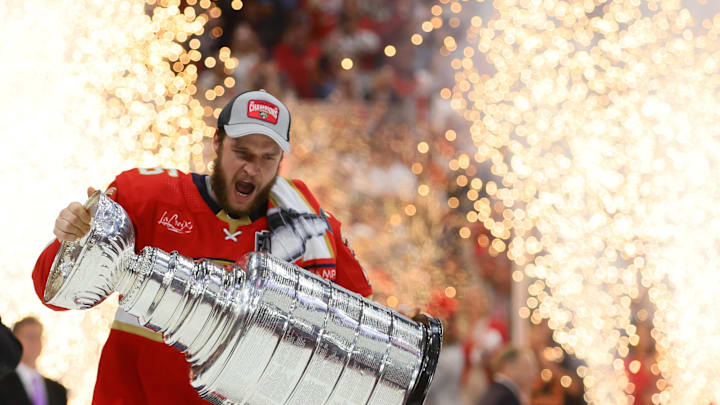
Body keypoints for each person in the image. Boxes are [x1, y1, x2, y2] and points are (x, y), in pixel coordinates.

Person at [32, 90, 373, 404]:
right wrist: (73, 239)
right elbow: (51, 293)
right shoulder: (146, 195)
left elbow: (361, 327)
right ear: (217, 143)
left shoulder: (309, 228)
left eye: (267, 158)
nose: (252, 169)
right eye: (241, 153)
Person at [0, 316, 67, 405]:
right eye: (29, 336)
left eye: (38, 336)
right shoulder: (3, 383)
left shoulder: (58, 390)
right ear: (15, 339)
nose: (34, 342)